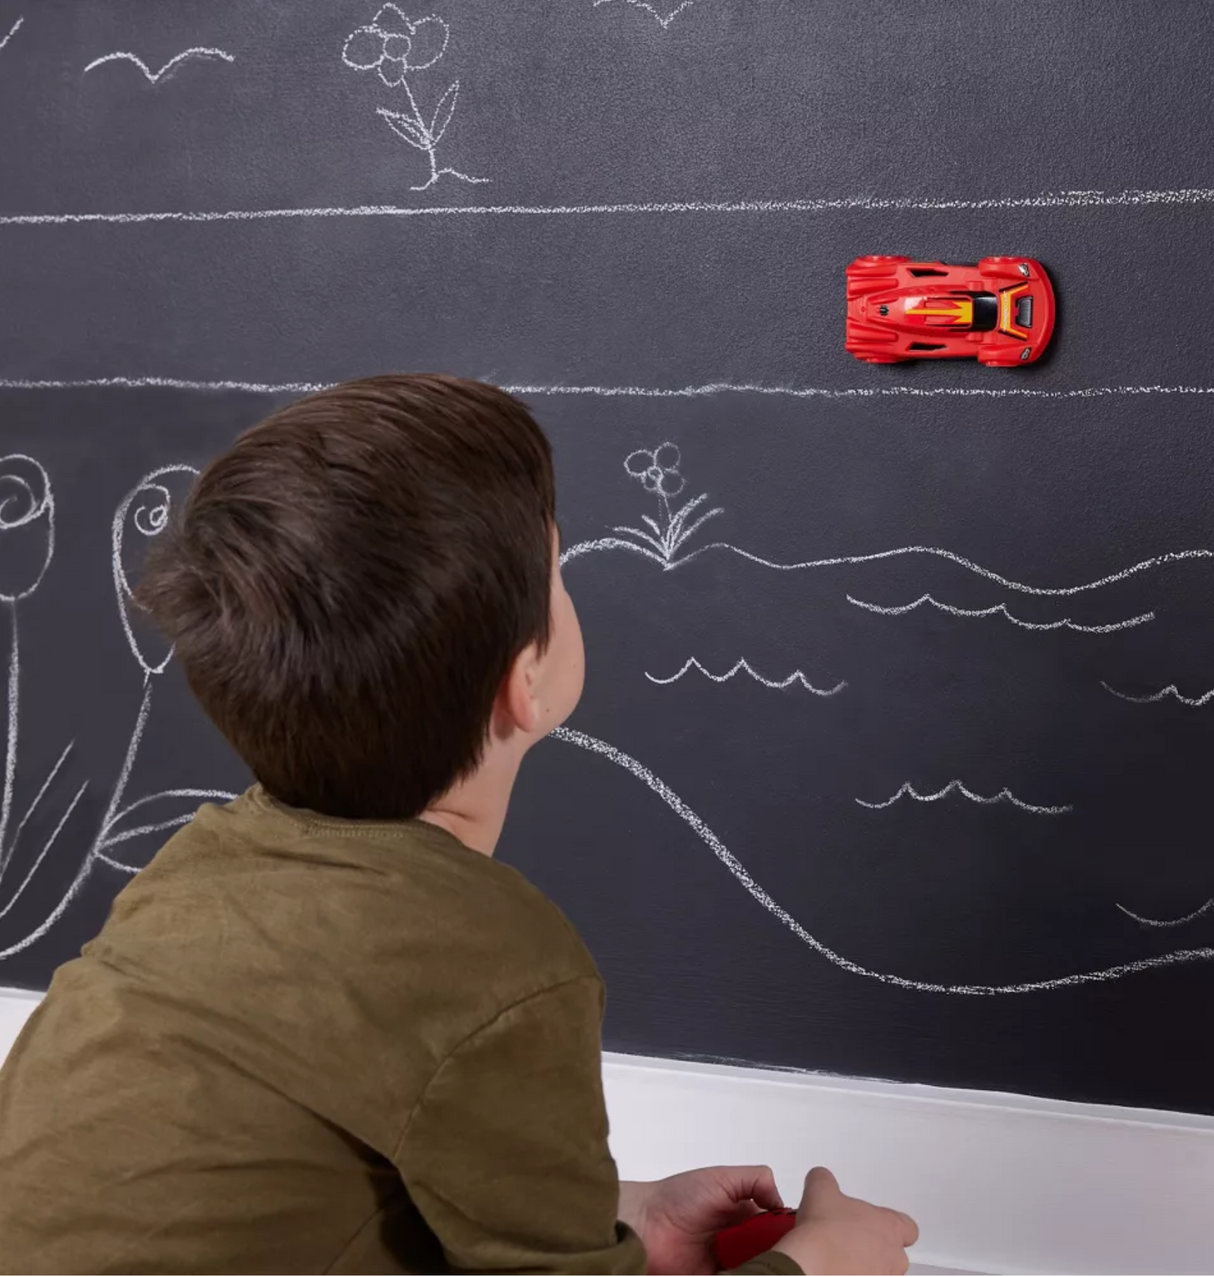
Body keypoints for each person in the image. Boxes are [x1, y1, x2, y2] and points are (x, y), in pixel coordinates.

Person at [0, 375, 917, 1275]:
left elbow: (310, 1149)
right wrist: (821, 1263)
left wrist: (614, 1212)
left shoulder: (196, 871)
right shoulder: (495, 966)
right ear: (525, 679)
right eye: (557, 573)